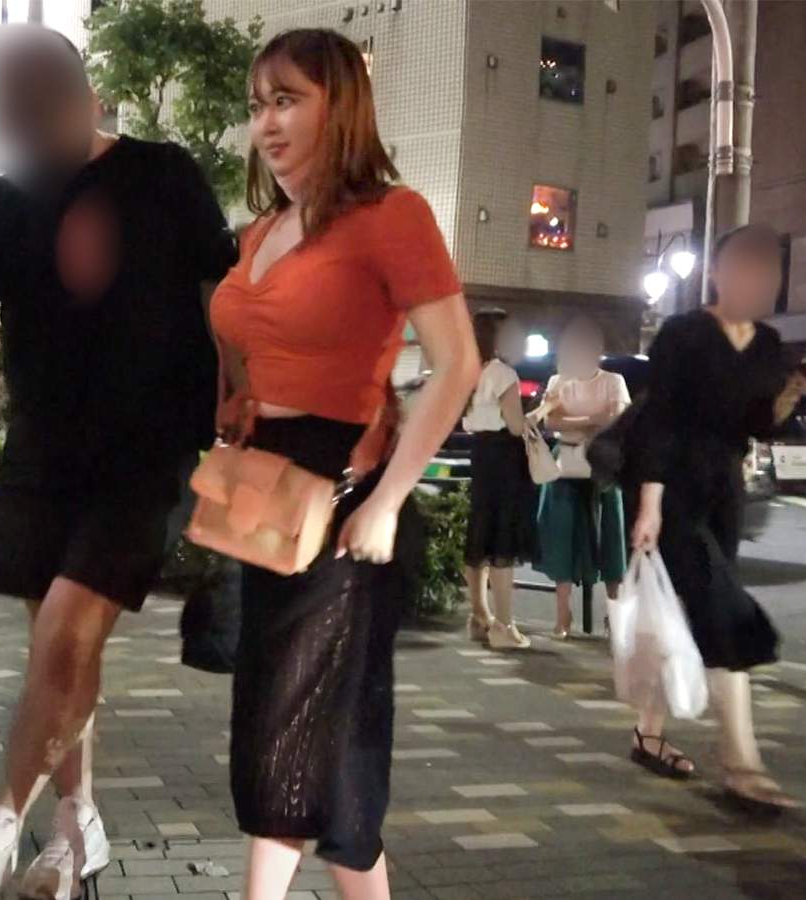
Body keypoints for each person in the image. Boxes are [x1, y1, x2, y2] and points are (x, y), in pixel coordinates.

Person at [0, 24, 238, 900]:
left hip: (148, 451)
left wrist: (242, 420)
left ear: (89, 96)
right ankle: (75, 826)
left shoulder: (165, 175)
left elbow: (223, 305)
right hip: (41, 452)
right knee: (59, 647)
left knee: (69, 630)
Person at [208, 29, 480, 900]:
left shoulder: (391, 216)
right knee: (315, 746)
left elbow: (458, 365)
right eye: (258, 105)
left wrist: (390, 500)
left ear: (342, 107)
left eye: (288, 100)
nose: (267, 123)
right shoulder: (261, 232)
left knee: (295, 740)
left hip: (343, 494)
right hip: (269, 498)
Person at [626, 224, 806, 810]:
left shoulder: (769, 344)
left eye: (767, 271)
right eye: (745, 268)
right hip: (672, 487)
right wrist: (650, 504)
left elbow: (754, 426)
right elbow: (658, 421)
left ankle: (648, 734)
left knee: (689, 612)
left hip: (725, 490)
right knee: (725, 613)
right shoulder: (683, 334)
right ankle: (741, 764)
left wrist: (783, 402)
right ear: (718, 274)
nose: (758, 280)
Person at [537, 316, 630, 639]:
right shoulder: (558, 381)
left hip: (603, 470)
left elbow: (615, 419)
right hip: (565, 468)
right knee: (562, 538)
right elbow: (550, 422)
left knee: (611, 541)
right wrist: (592, 420)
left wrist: (572, 420)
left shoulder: (613, 381)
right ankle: (563, 615)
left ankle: (614, 614)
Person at [462, 313, 538, 650]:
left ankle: (479, 616)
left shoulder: (468, 371)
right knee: (502, 539)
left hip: (480, 453)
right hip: (504, 456)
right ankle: (504, 626)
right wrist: (542, 410)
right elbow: (517, 426)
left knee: (480, 532)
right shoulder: (503, 373)